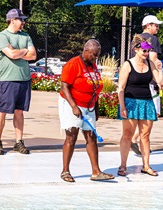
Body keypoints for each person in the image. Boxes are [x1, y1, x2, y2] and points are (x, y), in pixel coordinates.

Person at [59, 39, 114, 182]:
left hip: (89, 106)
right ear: (86, 51)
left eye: (97, 55)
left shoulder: (93, 66)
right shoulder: (73, 64)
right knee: (72, 136)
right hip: (73, 104)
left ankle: (96, 172)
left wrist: (96, 107)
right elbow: (64, 86)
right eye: (94, 55)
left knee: (91, 137)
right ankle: (65, 171)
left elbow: (95, 88)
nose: (96, 58)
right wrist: (73, 106)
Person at [117, 34, 163, 176]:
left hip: (147, 102)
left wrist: (160, 68)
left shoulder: (150, 63)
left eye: (148, 50)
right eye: (144, 50)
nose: (147, 53)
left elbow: (160, 82)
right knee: (127, 135)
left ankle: (146, 165)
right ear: (136, 49)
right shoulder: (128, 64)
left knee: (145, 135)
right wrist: (122, 106)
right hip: (131, 102)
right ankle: (123, 165)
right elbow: (121, 88)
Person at [0, 9, 36, 155]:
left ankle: (19, 142)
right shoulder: (2, 36)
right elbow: (10, 54)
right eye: (21, 20)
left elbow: (33, 55)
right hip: (8, 80)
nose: (23, 22)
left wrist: (19, 51)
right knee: (3, 111)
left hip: (24, 79)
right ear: (12, 20)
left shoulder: (26, 36)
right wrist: (24, 52)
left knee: (19, 111)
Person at [130, 15, 163, 154]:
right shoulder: (153, 39)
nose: (157, 27)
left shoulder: (136, 38)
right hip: (150, 79)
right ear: (148, 25)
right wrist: (159, 76)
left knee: (140, 114)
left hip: (137, 79)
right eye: (155, 25)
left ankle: (136, 139)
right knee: (152, 114)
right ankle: (138, 140)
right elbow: (154, 58)